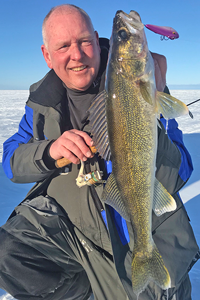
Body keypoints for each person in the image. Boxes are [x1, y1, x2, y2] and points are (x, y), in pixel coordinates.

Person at [0, 4, 199, 300]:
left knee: (152, 291)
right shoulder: (42, 103)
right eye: (64, 46)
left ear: (96, 39)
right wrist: (49, 151)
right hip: (71, 226)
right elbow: (11, 162)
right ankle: (82, 289)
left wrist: (159, 100)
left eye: (83, 41)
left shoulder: (142, 84)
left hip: (129, 232)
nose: (76, 55)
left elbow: (182, 169)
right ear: (47, 55)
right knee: (6, 254)